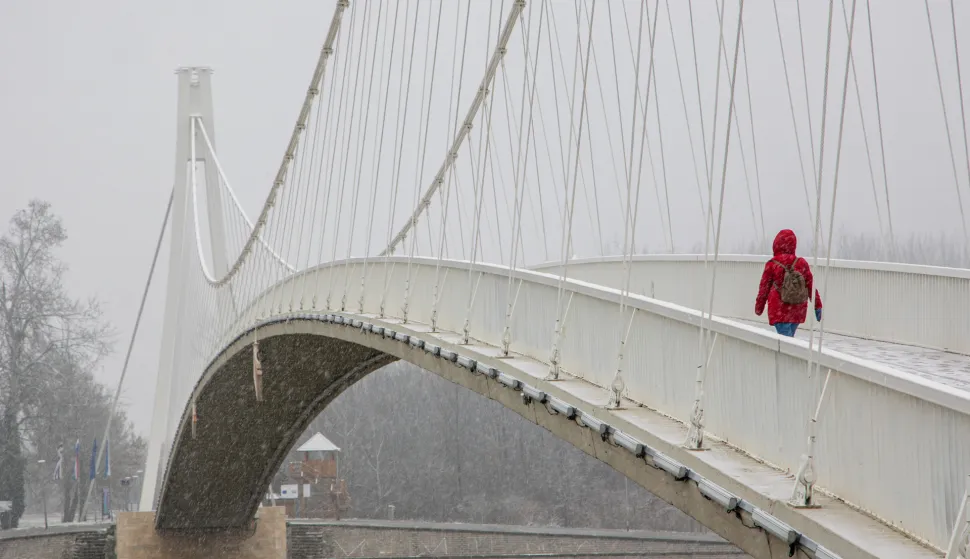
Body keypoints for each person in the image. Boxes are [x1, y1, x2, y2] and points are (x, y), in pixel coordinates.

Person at [755, 229, 822, 337]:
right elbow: (810, 286)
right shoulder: (801, 263)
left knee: (785, 340)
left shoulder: (772, 264)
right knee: (789, 338)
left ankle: (790, 353)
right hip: (797, 310)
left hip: (779, 310)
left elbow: (764, 288)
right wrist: (817, 305)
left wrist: (759, 307)